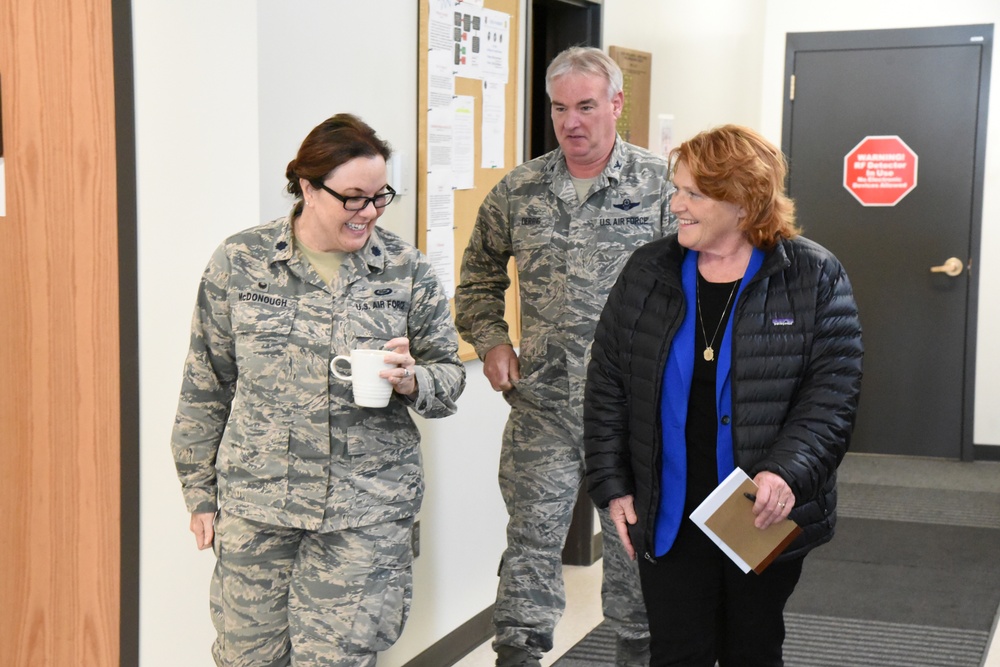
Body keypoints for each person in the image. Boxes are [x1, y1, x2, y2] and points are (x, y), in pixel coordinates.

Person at [170, 113, 466, 667]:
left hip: (365, 513)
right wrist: (199, 492)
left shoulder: (406, 270)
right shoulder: (240, 263)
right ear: (307, 186)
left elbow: (449, 377)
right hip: (259, 507)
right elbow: (205, 384)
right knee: (246, 659)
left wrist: (412, 380)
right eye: (353, 197)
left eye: (380, 196)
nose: (370, 212)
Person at [584, 124, 864, 666]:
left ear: (742, 200)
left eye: (693, 193)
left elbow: (832, 393)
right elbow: (607, 385)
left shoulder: (811, 274)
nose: (676, 205)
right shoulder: (648, 271)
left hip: (758, 509)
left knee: (752, 648)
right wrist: (613, 486)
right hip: (667, 504)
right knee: (677, 651)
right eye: (677, 188)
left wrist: (787, 471)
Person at [454, 46, 673, 667]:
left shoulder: (660, 188)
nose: (572, 122)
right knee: (529, 544)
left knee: (634, 546)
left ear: (616, 105)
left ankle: (638, 651)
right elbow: (475, 279)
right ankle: (518, 655)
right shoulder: (520, 191)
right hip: (544, 405)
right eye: (559, 108)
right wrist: (492, 339)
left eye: (585, 106)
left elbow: (700, 286)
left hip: (635, 411)